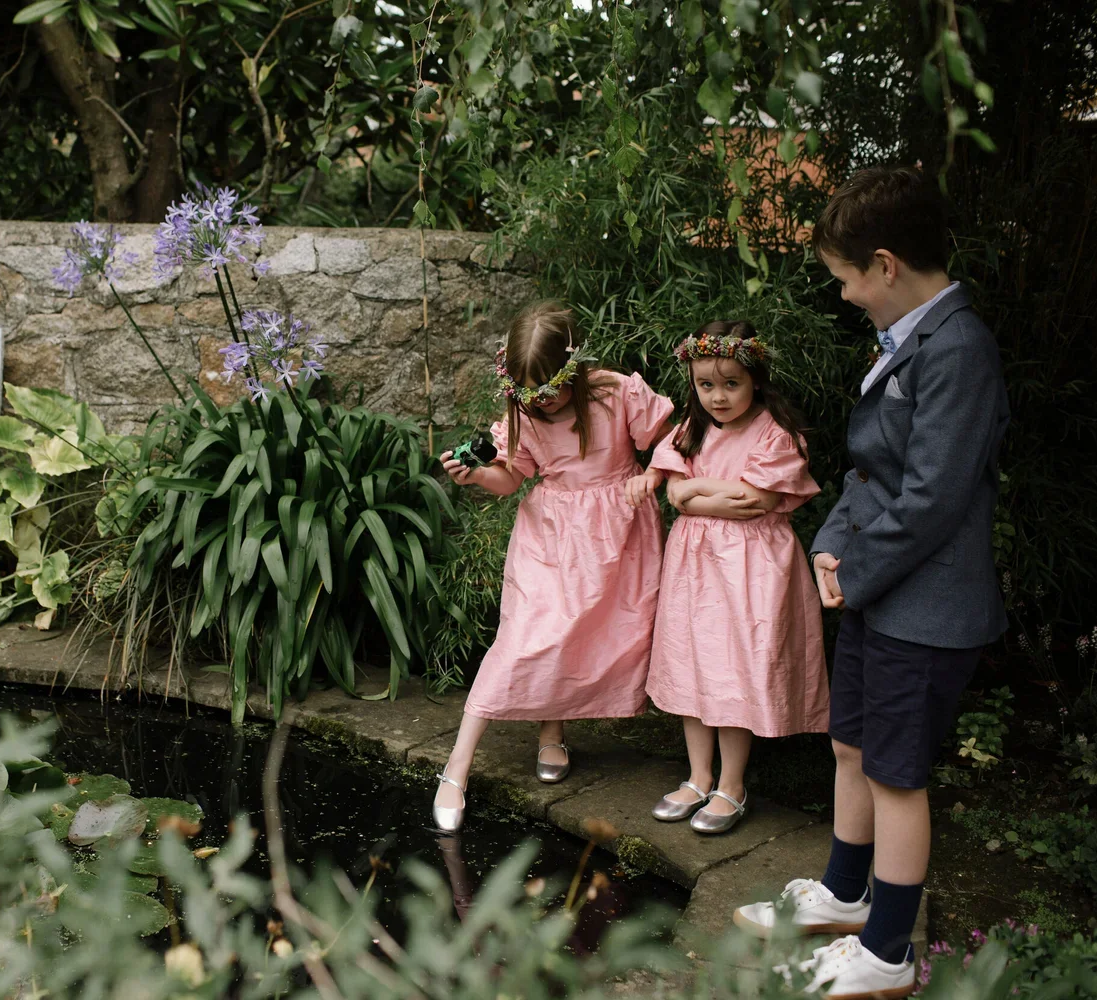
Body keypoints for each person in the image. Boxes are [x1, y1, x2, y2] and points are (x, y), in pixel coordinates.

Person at [734, 166, 1010, 1000]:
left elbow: (933, 497)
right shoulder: (913, 337)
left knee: (894, 773)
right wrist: (834, 548)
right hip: (881, 588)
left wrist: (855, 571)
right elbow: (873, 472)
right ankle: (845, 896)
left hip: (925, 608)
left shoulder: (958, 347)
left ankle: (888, 952)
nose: (846, 295)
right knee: (853, 744)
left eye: (847, 278)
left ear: (885, 264)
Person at [431, 300, 675, 833]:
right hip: (551, 535)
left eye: (551, 389)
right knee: (525, 639)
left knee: (582, 635)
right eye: (529, 392)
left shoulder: (615, 393)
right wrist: (475, 478)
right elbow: (512, 477)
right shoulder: (522, 412)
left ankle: (550, 733)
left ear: (578, 367)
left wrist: (653, 478)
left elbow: (670, 444)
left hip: (617, 531)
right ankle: (456, 768)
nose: (541, 401)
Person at [645, 322, 829, 836]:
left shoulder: (775, 433)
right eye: (706, 385)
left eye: (731, 384)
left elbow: (758, 503)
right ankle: (697, 775)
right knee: (693, 662)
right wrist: (709, 494)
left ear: (756, 380)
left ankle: (732, 783)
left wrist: (698, 486)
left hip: (749, 568)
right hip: (695, 565)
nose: (717, 396)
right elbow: (675, 494)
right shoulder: (691, 427)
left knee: (732, 667)